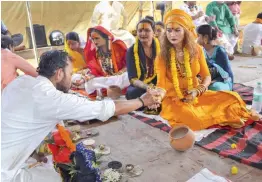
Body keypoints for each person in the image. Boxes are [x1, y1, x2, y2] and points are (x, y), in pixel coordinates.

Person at [1, 50, 160, 182]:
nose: (71, 79)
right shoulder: (52, 98)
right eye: (70, 74)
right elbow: (105, 108)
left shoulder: (21, 82)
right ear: (59, 74)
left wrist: (34, 152)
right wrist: (142, 101)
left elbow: (12, 124)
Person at [154, 9, 261, 131]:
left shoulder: (197, 50)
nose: (172, 35)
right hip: (174, 99)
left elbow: (206, 76)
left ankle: (231, 115)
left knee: (232, 97)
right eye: (169, 30)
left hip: (197, 94)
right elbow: (161, 84)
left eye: (177, 30)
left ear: (186, 32)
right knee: (195, 120)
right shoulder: (162, 56)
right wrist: (158, 96)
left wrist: (196, 91)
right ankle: (224, 118)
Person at [126, 17, 160, 100]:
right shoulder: (131, 51)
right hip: (142, 84)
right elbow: (133, 79)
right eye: (140, 31)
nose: (143, 33)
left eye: (147, 30)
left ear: (154, 32)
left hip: (159, 81)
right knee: (132, 93)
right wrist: (148, 88)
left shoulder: (161, 47)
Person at [197, 24, 234, 91]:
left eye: (198, 36)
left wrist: (212, 81)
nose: (197, 39)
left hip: (224, 81)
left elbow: (225, 73)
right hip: (211, 79)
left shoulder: (219, 51)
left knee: (215, 87)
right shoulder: (203, 50)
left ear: (205, 37)